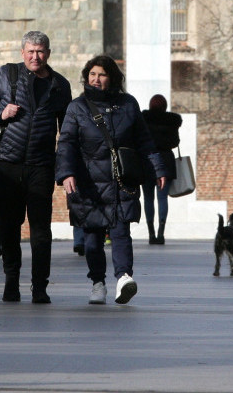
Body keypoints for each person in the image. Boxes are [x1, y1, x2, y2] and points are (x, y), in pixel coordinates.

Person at [57, 55, 167, 306]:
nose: (96, 79)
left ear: (112, 78)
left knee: (121, 231)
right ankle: (97, 283)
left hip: (121, 179)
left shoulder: (128, 104)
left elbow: (144, 141)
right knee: (93, 236)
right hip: (89, 182)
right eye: (92, 74)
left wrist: (157, 169)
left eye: (102, 75)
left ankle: (124, 278)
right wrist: (66, 174)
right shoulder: (77, 107)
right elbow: (66, 144)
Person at [0, 30, 72, 304]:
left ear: (48, 54)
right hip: (7, 165)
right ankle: (11, 282)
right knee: (9, 227)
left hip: (41, 166)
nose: (35, 56)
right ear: (22, 53)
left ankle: (40, 286)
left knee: (41, 230)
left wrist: (65, 169)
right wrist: (0, 113)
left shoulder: (60, 85)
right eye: (30, 51)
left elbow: (67, 132)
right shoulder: (7, 75)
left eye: (40, 51)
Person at [140, 94, 180, 245]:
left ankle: (151, 233)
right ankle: (161, 233)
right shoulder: (172, 122)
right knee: (162, 198)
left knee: (148, 198)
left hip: (147, 161)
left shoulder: (144, 120)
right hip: (166, 160)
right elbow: (175, 142)